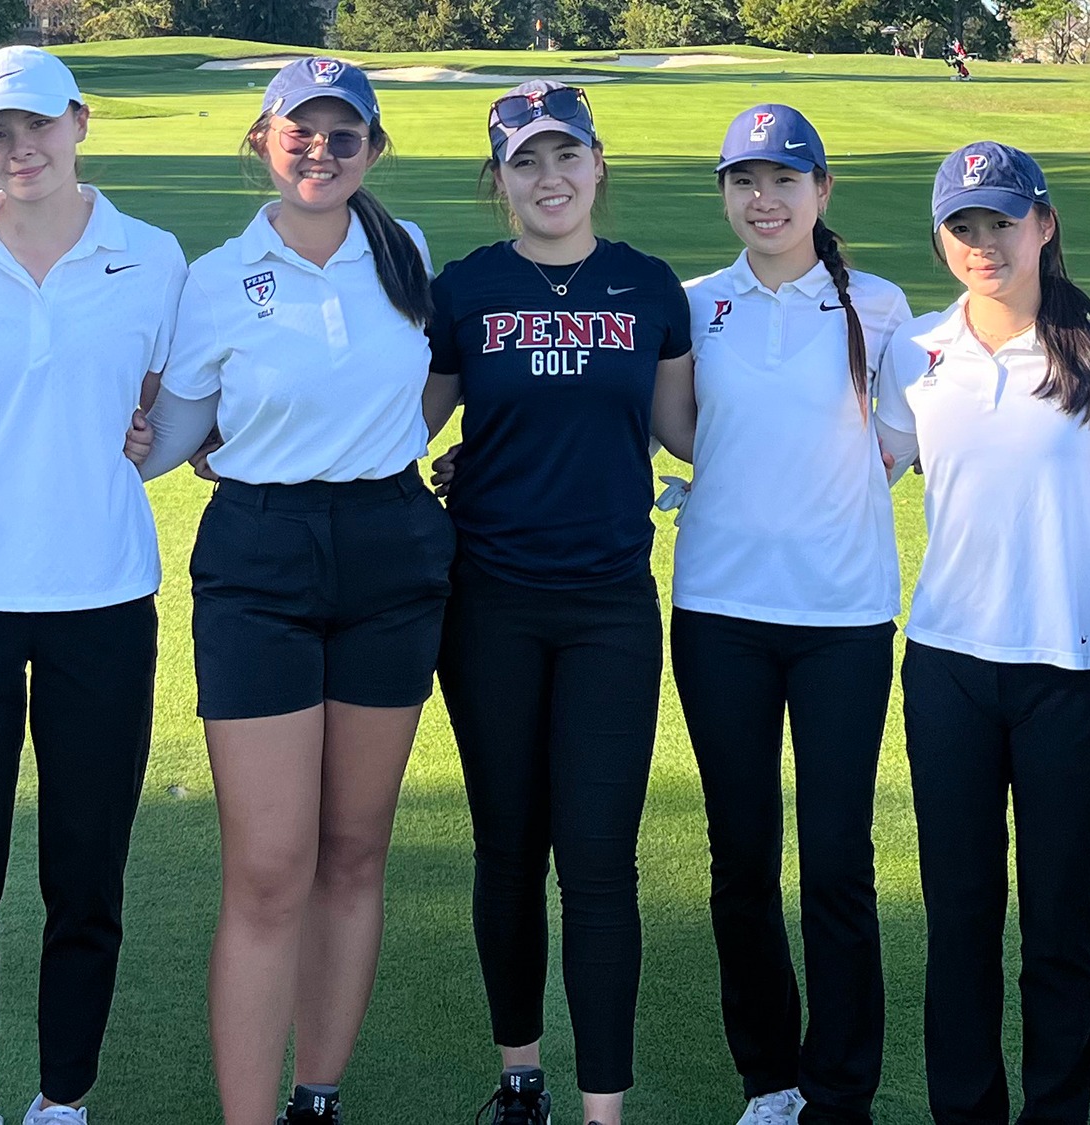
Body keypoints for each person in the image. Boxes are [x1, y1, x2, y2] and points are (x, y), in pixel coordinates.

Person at [136, 57, 449, 1125]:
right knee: (271, 868)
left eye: (343, 134)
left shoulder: (405, 254)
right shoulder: (217, 275)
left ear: (372, 149)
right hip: (259, 558)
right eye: (298, 132)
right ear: (262, 143)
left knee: (355, 853)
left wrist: (408, 452)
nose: (320, 150)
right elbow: (171, 438)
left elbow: (429, 391)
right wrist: (131, 433)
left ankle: (316, 1096)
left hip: (392, 548)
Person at [0, 46, 187, 1125]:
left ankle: (62, 1098)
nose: (18, 150)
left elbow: (166, 404)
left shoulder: (153, 258)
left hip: (102, 600)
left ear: (78, 123)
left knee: (85, 872)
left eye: (34, 127)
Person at [422, 80, 694, 1125]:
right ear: (499, 179)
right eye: (525, 161)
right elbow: (392, 425)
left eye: (565, 156)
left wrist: (845, 426)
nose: (549, 178)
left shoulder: (647, 289)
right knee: (505, 844)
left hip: (610, 611)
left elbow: (685, 433)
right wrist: (240, 448)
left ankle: (602, 1110)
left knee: (598, 860)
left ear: (597, 165)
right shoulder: (465, 291)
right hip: (486, 605)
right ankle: (520, 1078)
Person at [654, 104, 912, 1125]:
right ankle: (770, 1078)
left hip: (843, 618)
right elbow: (673, 432)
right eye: (742, 181)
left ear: (820, 191)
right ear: (723, 192)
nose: (762, 200)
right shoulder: (688, 306)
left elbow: (909, 437)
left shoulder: (880, 306)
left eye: (782, 180)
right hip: (718, 610)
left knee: (838, 859)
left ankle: (840, 1084)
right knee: (741, 856)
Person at [876, 141, 1090, 1125]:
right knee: (961, 925)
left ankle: (1053, 1113)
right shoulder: (918, 352)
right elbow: (860, 472)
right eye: (963, 225)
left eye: (1000, 220)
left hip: (1069, 669)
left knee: (1060, 928)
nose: (983, 242)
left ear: (1042, 223)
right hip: (946, 667)